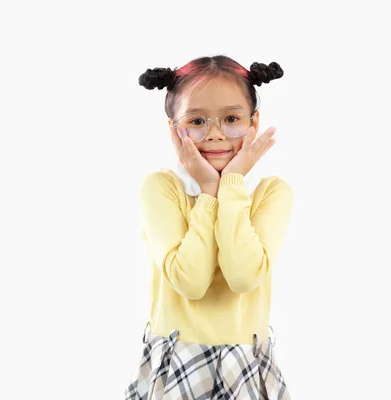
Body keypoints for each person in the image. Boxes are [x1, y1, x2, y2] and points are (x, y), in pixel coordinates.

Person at [125, 55, 293, 399]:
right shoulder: (161, 188)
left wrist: (229, 184)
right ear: (174, 129)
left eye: (231, 118)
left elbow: (243, 276)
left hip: (245, 364)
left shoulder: (270, 192)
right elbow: (191, 282)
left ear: (253, 122)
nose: (215, 134)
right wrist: (208, 194)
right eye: (197, 121)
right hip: (176, 363)